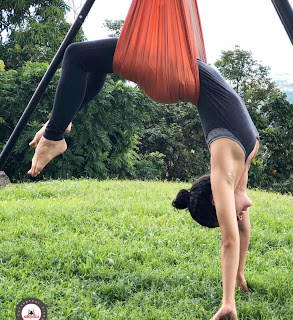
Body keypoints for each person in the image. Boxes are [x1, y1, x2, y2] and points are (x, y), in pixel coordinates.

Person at [28, 38, 259, 320]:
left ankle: (55, 134)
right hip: (178, 69)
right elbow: (241, 233)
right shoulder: (240, 163)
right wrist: (237, 275)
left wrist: (228, 302)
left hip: (171, 74)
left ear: (216, 199)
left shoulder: (224, 169)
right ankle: (59, 123)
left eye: (231, 216)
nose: (240, 217)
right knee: (90, 63)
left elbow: (230, 240)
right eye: (234, 217)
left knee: (77, 56)